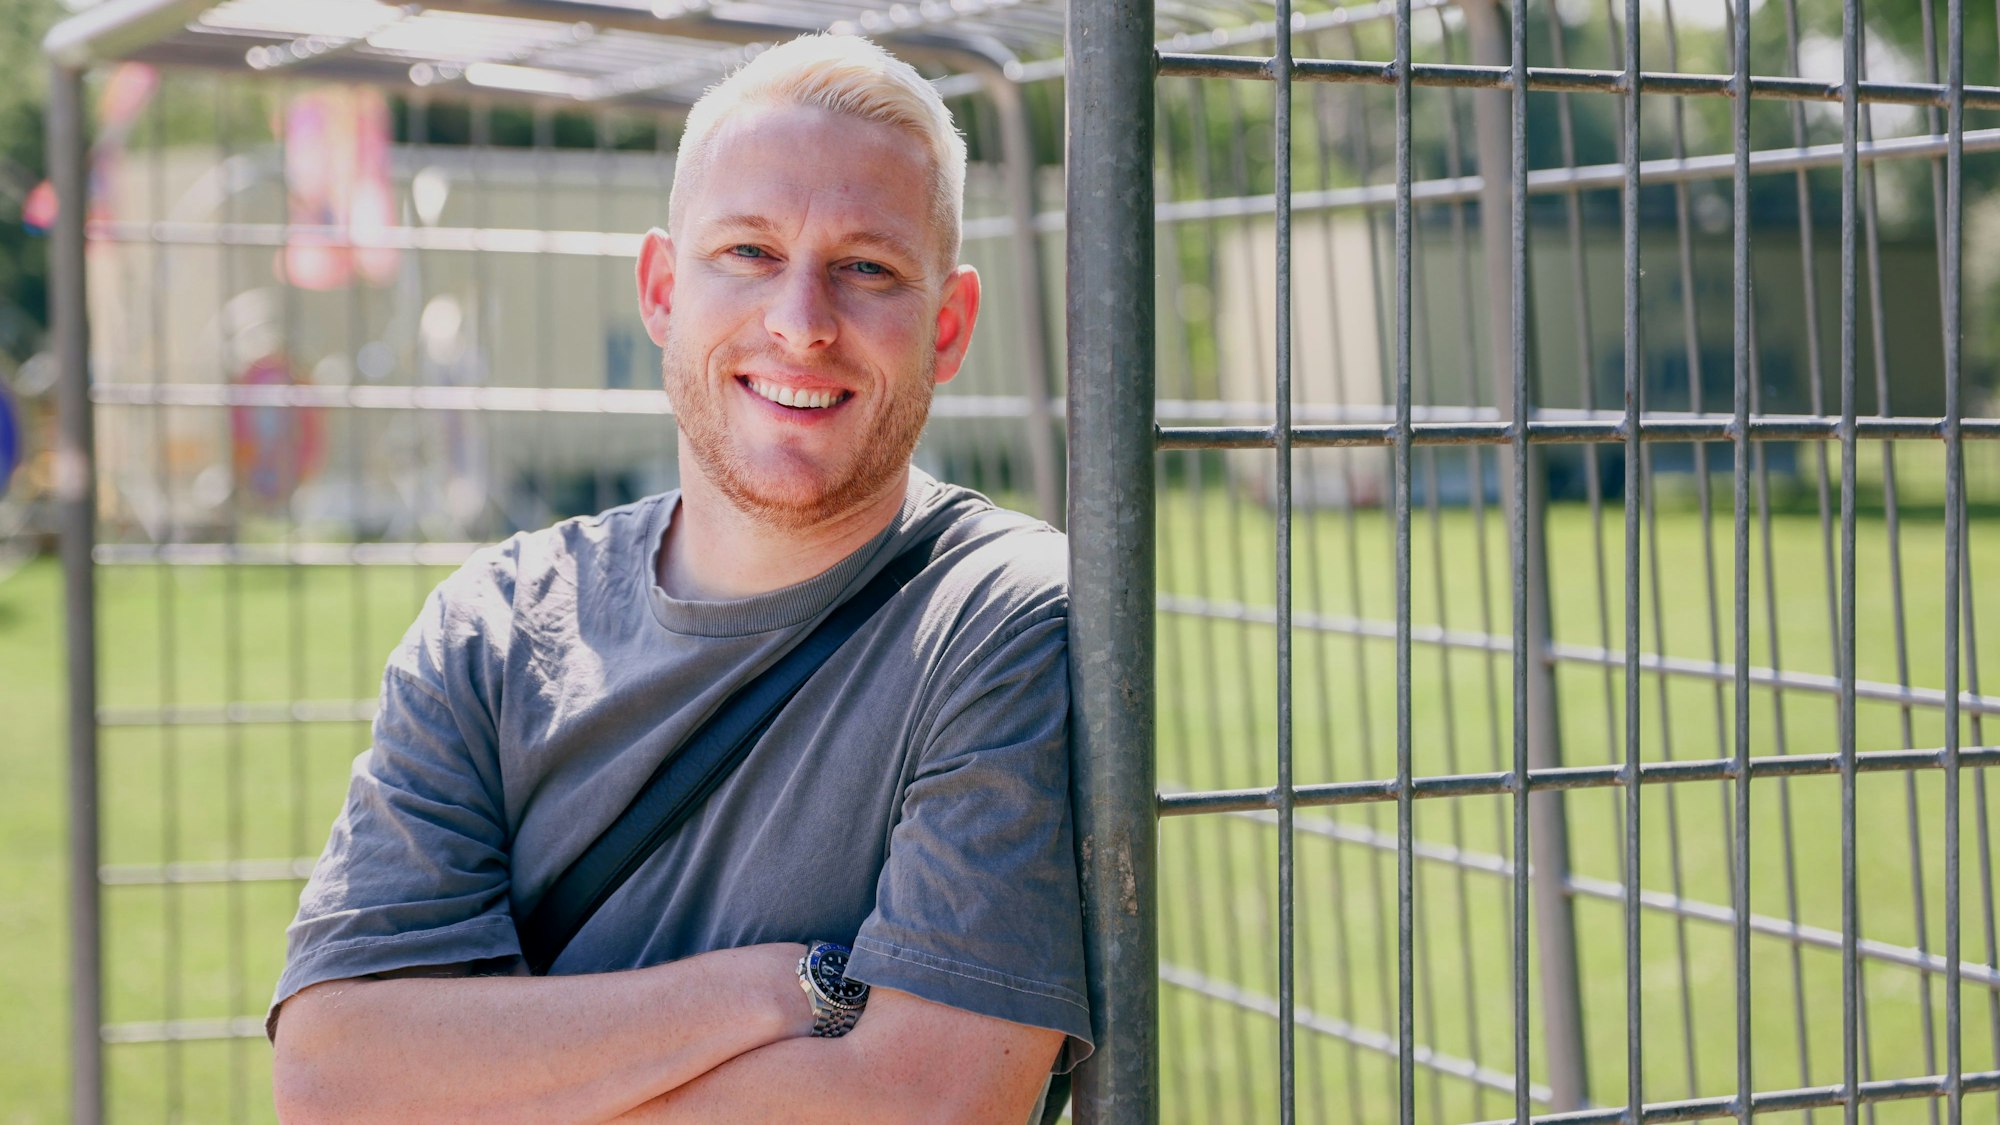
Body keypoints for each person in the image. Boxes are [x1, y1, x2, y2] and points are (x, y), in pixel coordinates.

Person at [268, 33, 1090, 1122]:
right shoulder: (493, 628)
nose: (801, 321)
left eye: (867, 267)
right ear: (661, 289)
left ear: (946, 327)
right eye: (746, 251)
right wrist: (774, 989)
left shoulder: (1003, 616)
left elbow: (922, 1107)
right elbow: (333, 1080)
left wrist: (496, 1080)